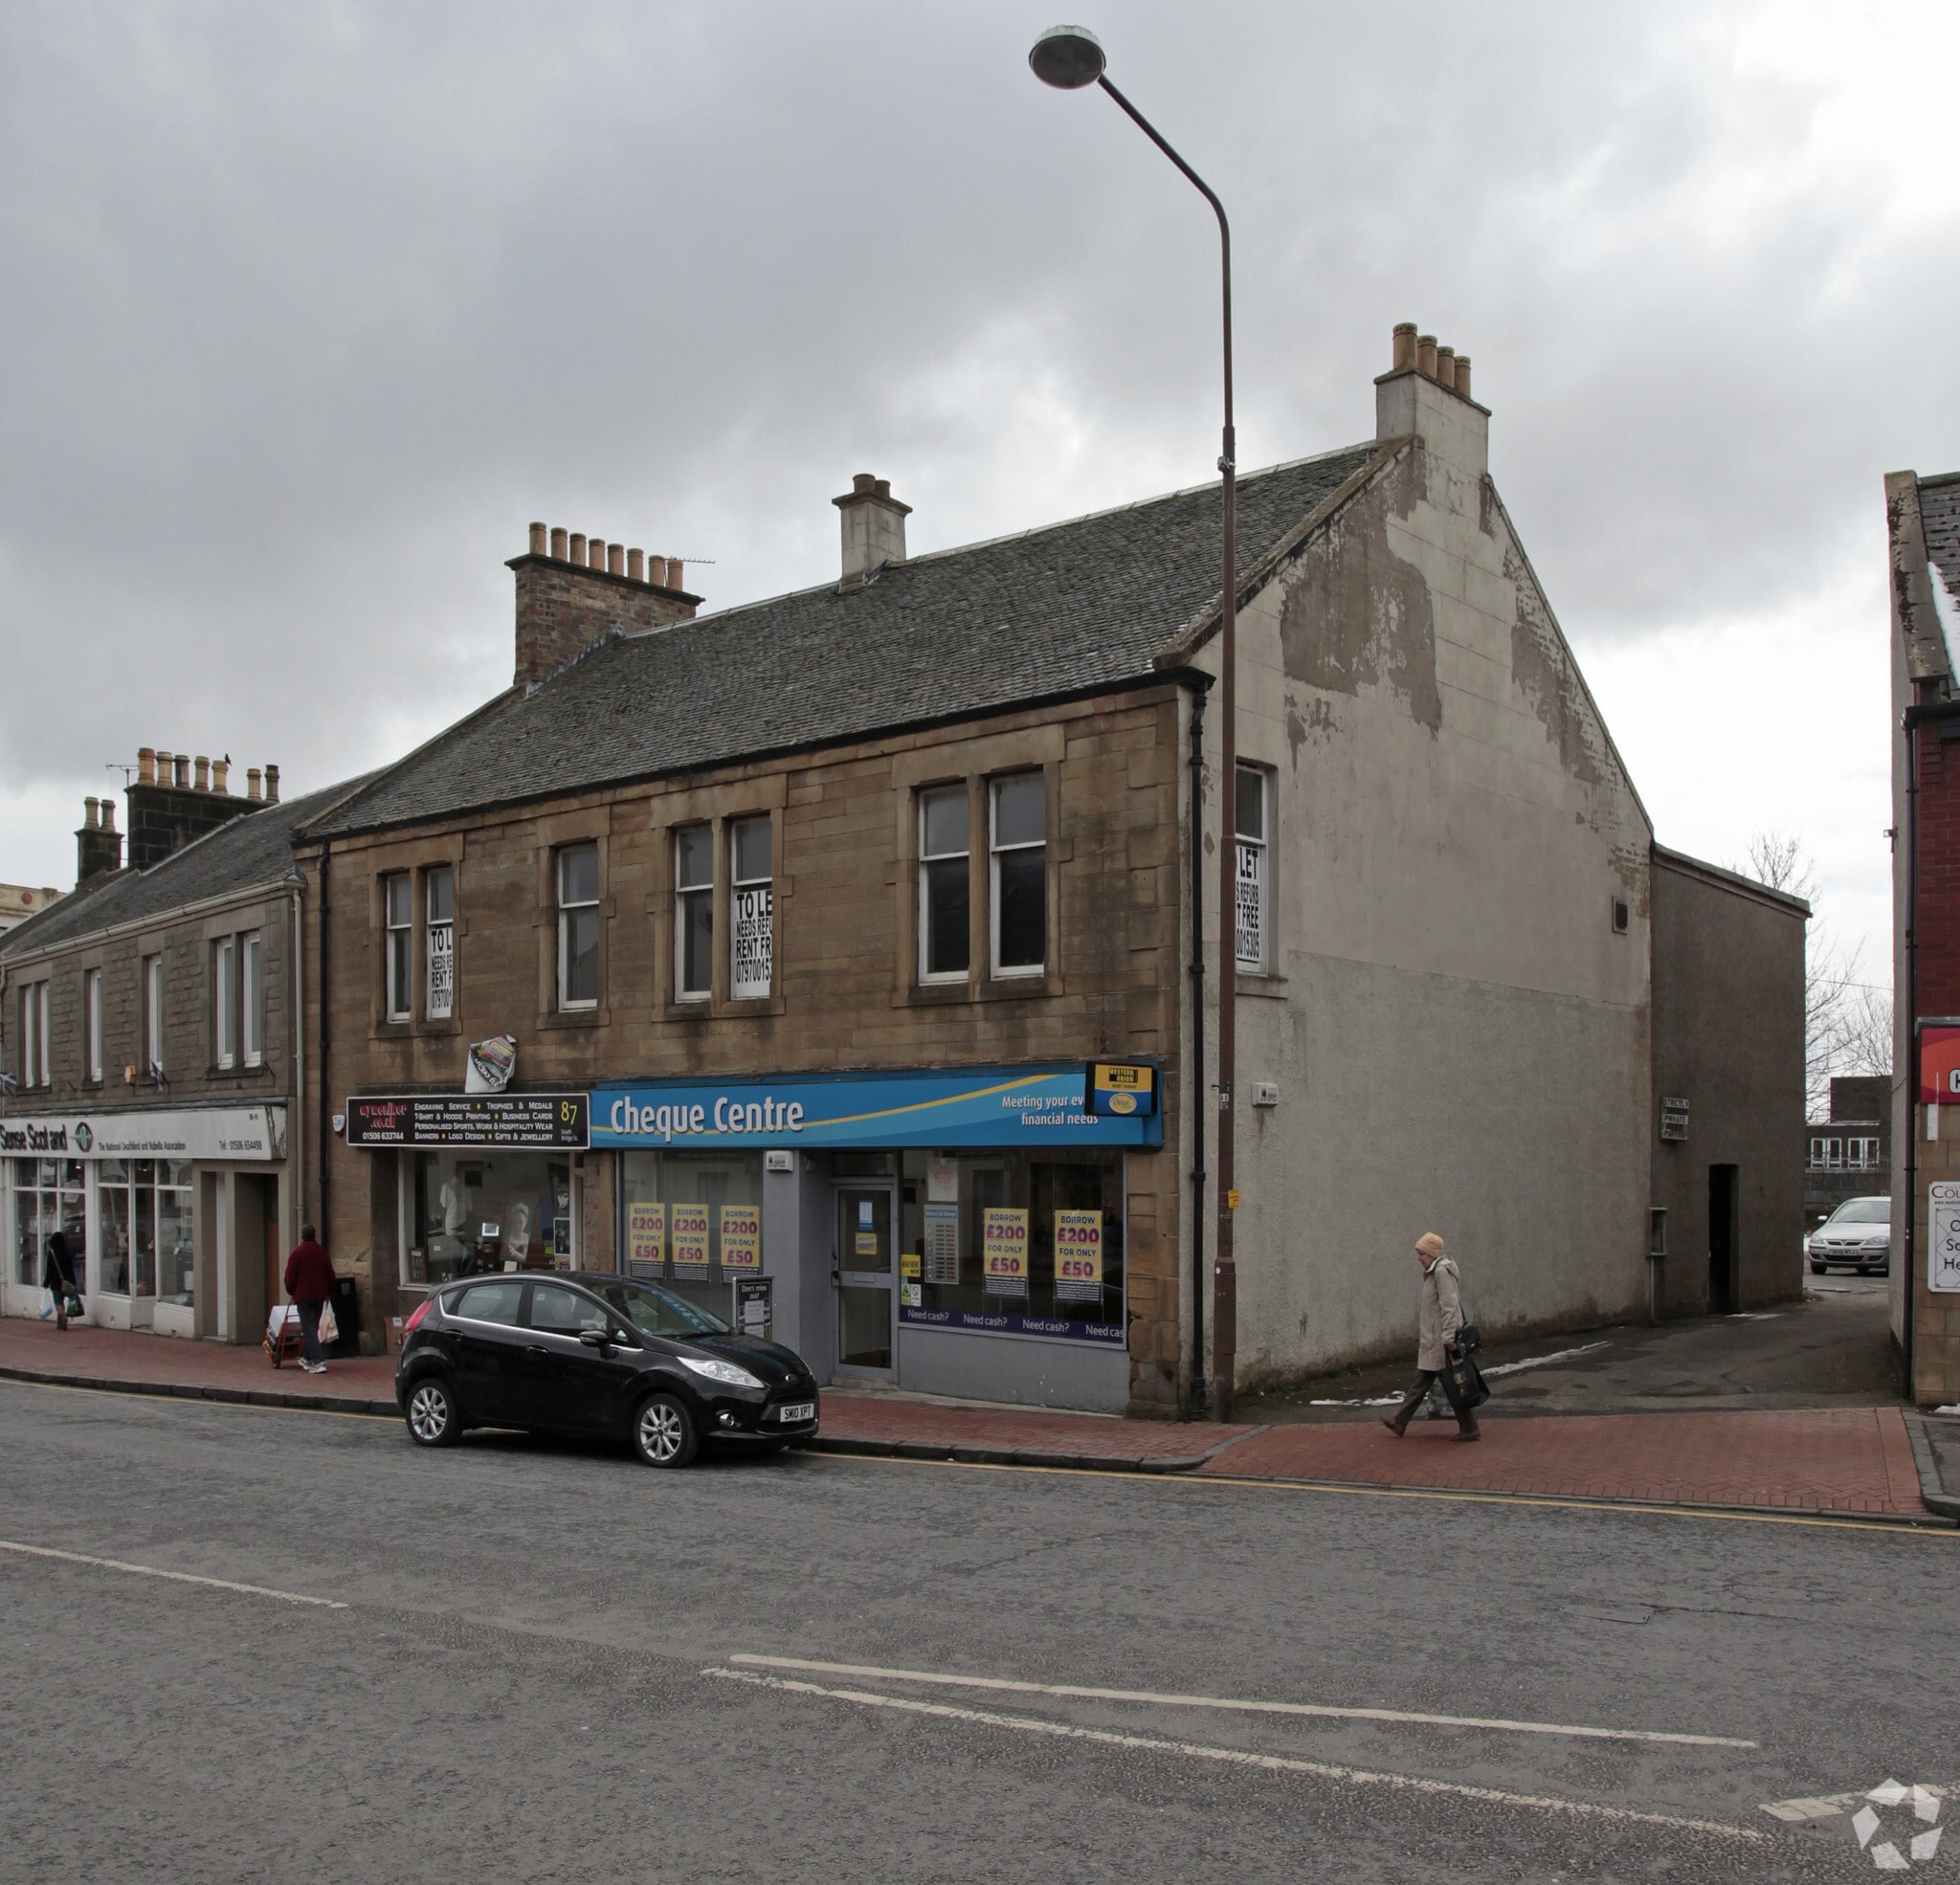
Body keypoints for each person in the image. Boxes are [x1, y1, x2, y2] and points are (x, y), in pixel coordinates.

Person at [1381, 1231, 1481, 1442]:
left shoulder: (1441, 1272)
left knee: (1453, 1384)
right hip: (1433, 1341)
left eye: (1422, 1254)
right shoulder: (1432, 1272)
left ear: (1432, 1253)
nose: (1419, 1258)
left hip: (1442, 1343)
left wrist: (1449, 1338)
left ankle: (1470, 1428)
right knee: (1423, 1381)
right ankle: (1400, 1422)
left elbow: (1449, 1306)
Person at [283, 1224, 337, 1375]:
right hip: (320, 1296)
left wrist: (292, 1291)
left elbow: (290, 1277)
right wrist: (328, 1292)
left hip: (304, 1296)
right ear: (314, 1235)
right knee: (312, 1327)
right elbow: (331, 1275)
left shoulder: (297, 1253)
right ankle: (306, 1358)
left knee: (309, 1329)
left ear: (302, 1236)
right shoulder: (322, 1253)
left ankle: (318, 1361)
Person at [43, 1230, 81, 1332]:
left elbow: (49, 1270)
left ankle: (62, 1316)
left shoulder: (52, 1253)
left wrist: (46, 1282)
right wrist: (73, 1281)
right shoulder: (67, 1252)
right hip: (67, 1282)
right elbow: (70, 1268)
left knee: (58, 1302)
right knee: (71, 1297)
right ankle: (66, 1316)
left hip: (56, 1283)